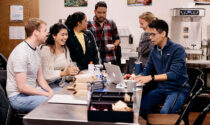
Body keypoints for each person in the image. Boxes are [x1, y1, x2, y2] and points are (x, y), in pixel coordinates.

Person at [133, 19, 190, 119]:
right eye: (149, 34)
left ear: (163, 33)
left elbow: (173, 74)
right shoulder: (154, 50)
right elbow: (147, 70)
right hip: (161, 89)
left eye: (153, 34)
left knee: (165, 112)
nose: (150, 38)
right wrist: (136, 77)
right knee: (140, 108)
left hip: (177, 90)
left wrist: (151, 77)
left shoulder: (178, 49)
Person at [6, 18, 54, 113]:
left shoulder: (36, 50)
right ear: (36, 32)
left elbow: (40, 78)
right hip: (18, 97)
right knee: (50, 103)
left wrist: (50, 91)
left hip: (31, 93)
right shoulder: (21, 52)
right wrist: (45, 94)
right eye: (44, 31)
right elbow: (22, 87)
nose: (47, 34)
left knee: (58, 97)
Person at [40, 23, 79, 90]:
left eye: (66, 34)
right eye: (62, 35)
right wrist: (64, 73)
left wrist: (72, 73)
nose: (65, 37)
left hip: (61, 83)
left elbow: (66, 75)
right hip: (48, 85)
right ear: (54, 36)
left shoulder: (65, 49)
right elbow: (45, 74)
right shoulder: (45, 50)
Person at [87, 1, 121, 65]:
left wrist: (114, 45)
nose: (102, 15)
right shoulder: (89, 24)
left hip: (110, 60)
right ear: (95, 12)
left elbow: (117, 39)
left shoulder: (111, 23)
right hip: (95, 62)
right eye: (99, 12)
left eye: (104, 12)